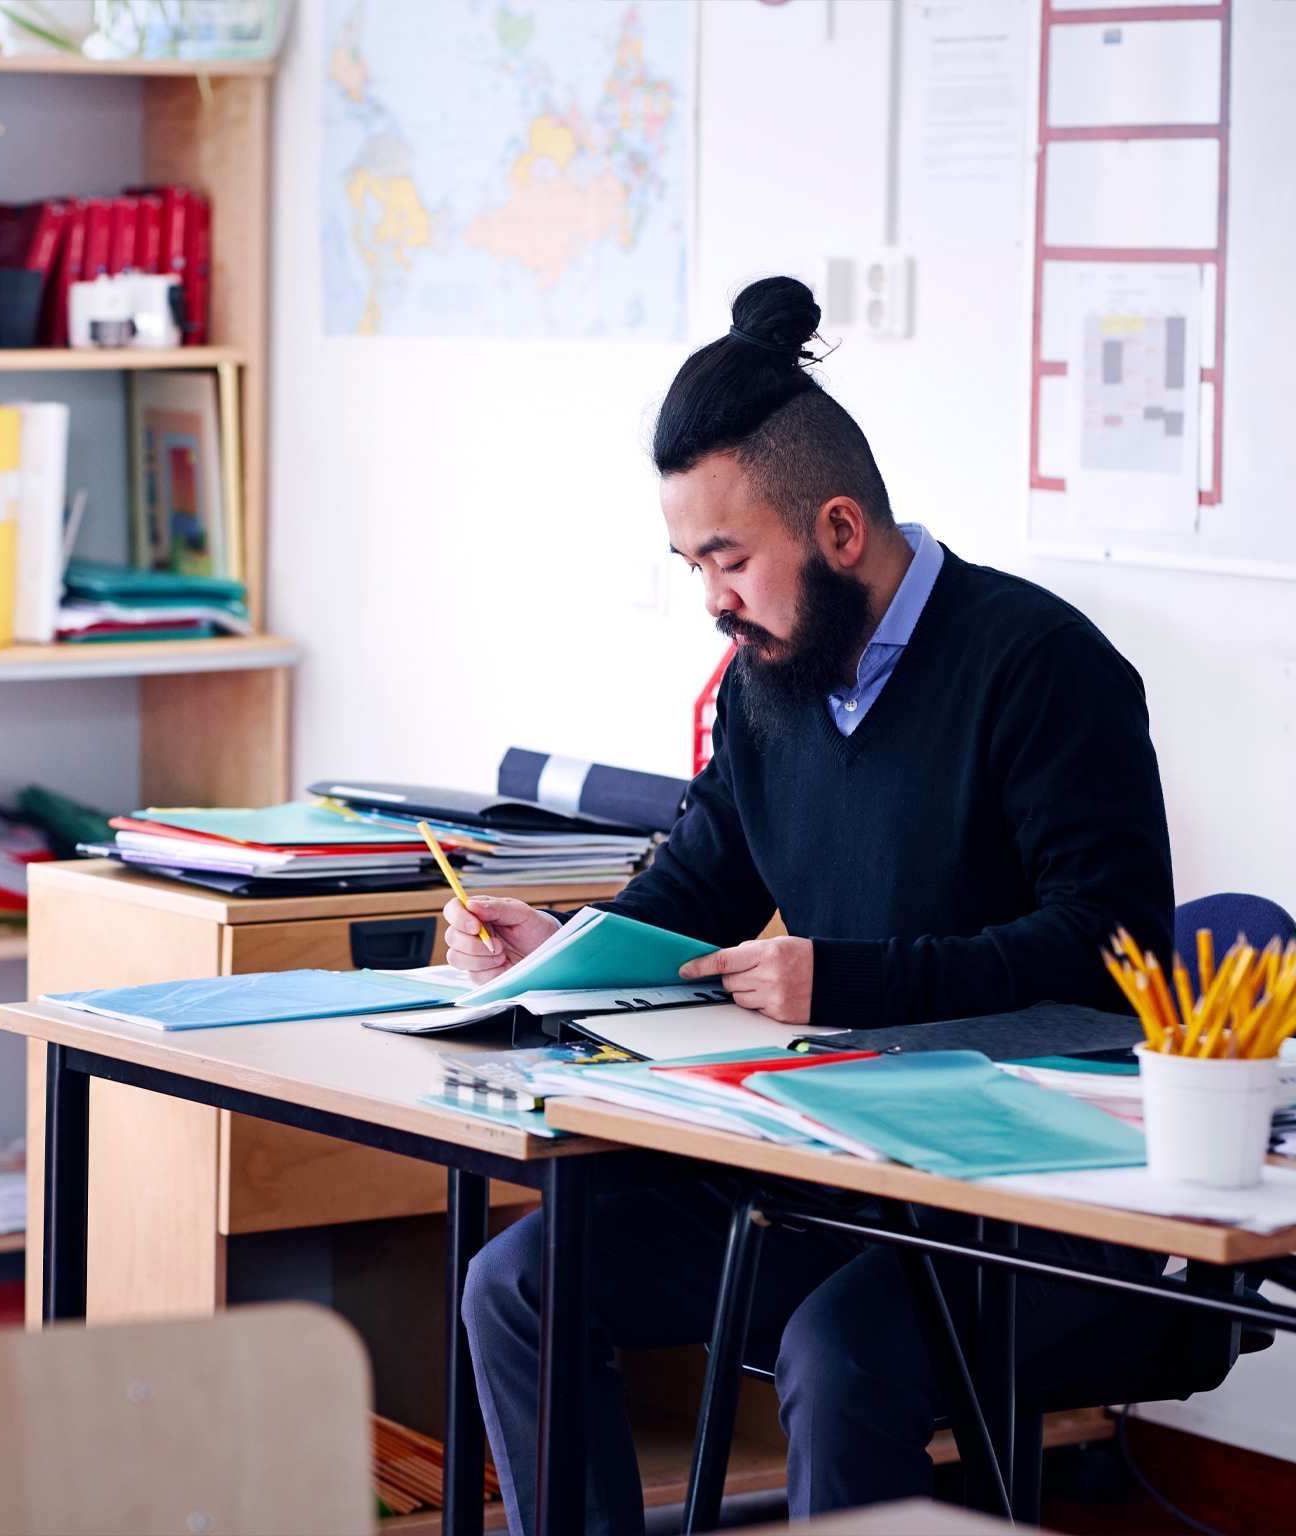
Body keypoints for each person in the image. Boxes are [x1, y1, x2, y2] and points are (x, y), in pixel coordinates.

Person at [448, 276, 1176, 1533]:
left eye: (730, 560)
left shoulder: (1041, 666)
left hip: (1035, 1187)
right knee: (520, 1282)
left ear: (839, 531)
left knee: (838, 1359)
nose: (714, 600)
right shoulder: (767, 680)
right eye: (693, 565)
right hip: (827, 1162)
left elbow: (1112, 951)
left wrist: (850, 980)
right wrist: (555, 952)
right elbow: (697, 887)